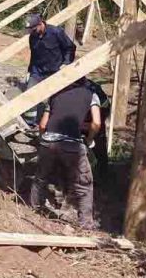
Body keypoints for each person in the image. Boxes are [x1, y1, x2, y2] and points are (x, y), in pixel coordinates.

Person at [29, 80, 101, 229]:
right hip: (72, 144)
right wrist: (88, 140)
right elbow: (96, 123)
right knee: (84, 184)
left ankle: (34, 208)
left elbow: (43, 125)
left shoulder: (56, 94)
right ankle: (86, 225)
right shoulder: (91, 95)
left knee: (41, 177)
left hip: (48, 141)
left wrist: (44, 140)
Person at [24, 13, 77, 125]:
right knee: (29, 94)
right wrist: (30, 71)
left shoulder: (56, 32)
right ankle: (29, 123)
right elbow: (34, 55)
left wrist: (66, 64)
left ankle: (52, 124)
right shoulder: (32, 37)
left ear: (40, 24)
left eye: (33, 29)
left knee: (56, 100)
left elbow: (70, 48)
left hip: (55, 71)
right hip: (37, 71)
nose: (32, 32)